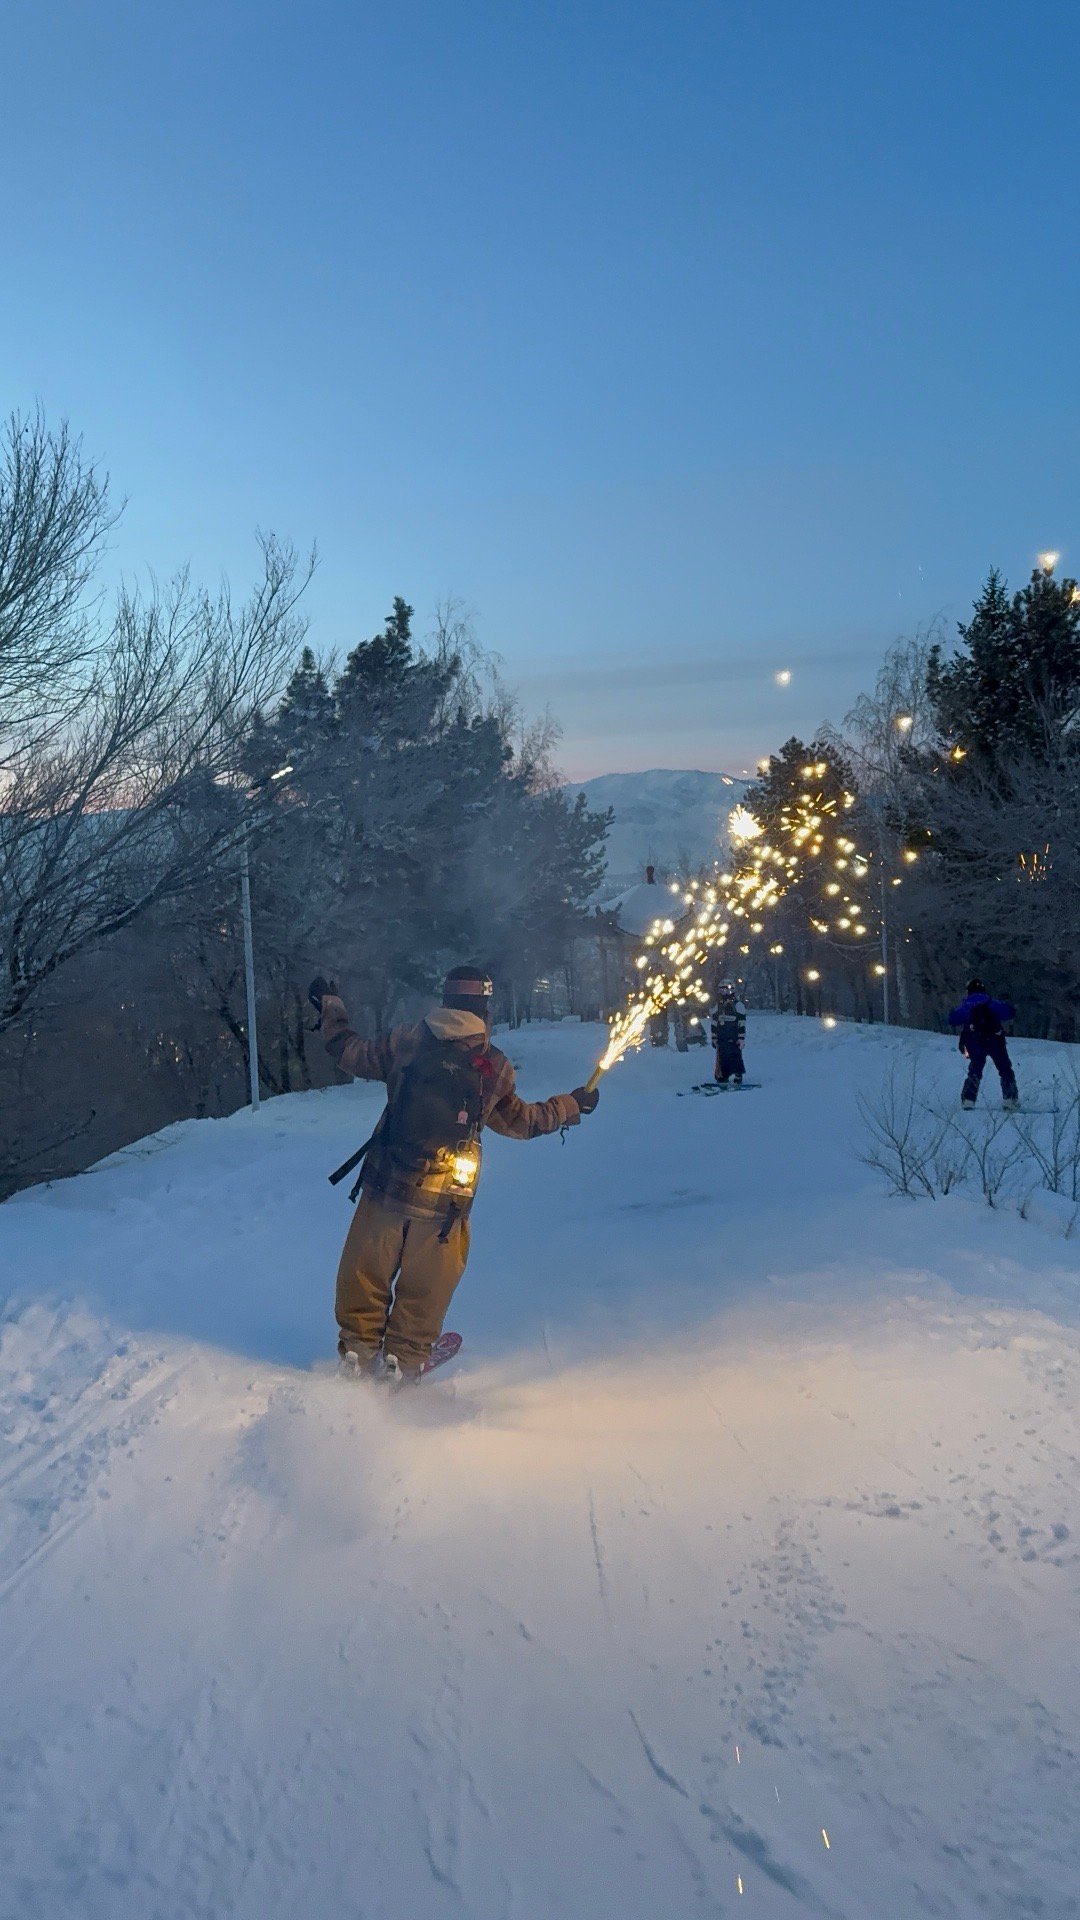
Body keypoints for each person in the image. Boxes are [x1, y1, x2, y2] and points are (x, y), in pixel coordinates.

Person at [308, 966, 600, 1381]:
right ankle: (404, 1360)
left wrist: (331, 1007)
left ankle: (357, 1350)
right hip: (445, 1200)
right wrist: (571, 1105)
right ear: (484, 1007)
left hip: (384, 1187)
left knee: (365, 1272)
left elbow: (347, 1050)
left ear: (444, 1001)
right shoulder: (493, 1065)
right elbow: (524, 1122)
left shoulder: (404, 1040)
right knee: (427, 1286)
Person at [948, 978, 1018, 1110]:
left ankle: (969, 1099)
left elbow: (953, 1020)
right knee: (1004, 1068)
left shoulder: (967, 1005)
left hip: (975, 1041)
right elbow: (1009, 1012)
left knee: (975, 1068)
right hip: (995, 1039)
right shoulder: (991, 1002)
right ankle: (1010, 1099)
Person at [711, 979, 747, 1087]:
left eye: (726, 990)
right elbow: (714, 1022)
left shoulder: (738, 1005)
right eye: (721, 990)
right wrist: (714, 1037)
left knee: (735, 1055)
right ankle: (723, 1075)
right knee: (722, 1056)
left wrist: (741, 1038)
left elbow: (741, 1022)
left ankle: (738, 1075)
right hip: (722, 1036)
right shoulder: (718, 1006)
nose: (724, 993)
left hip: (733, 1036)